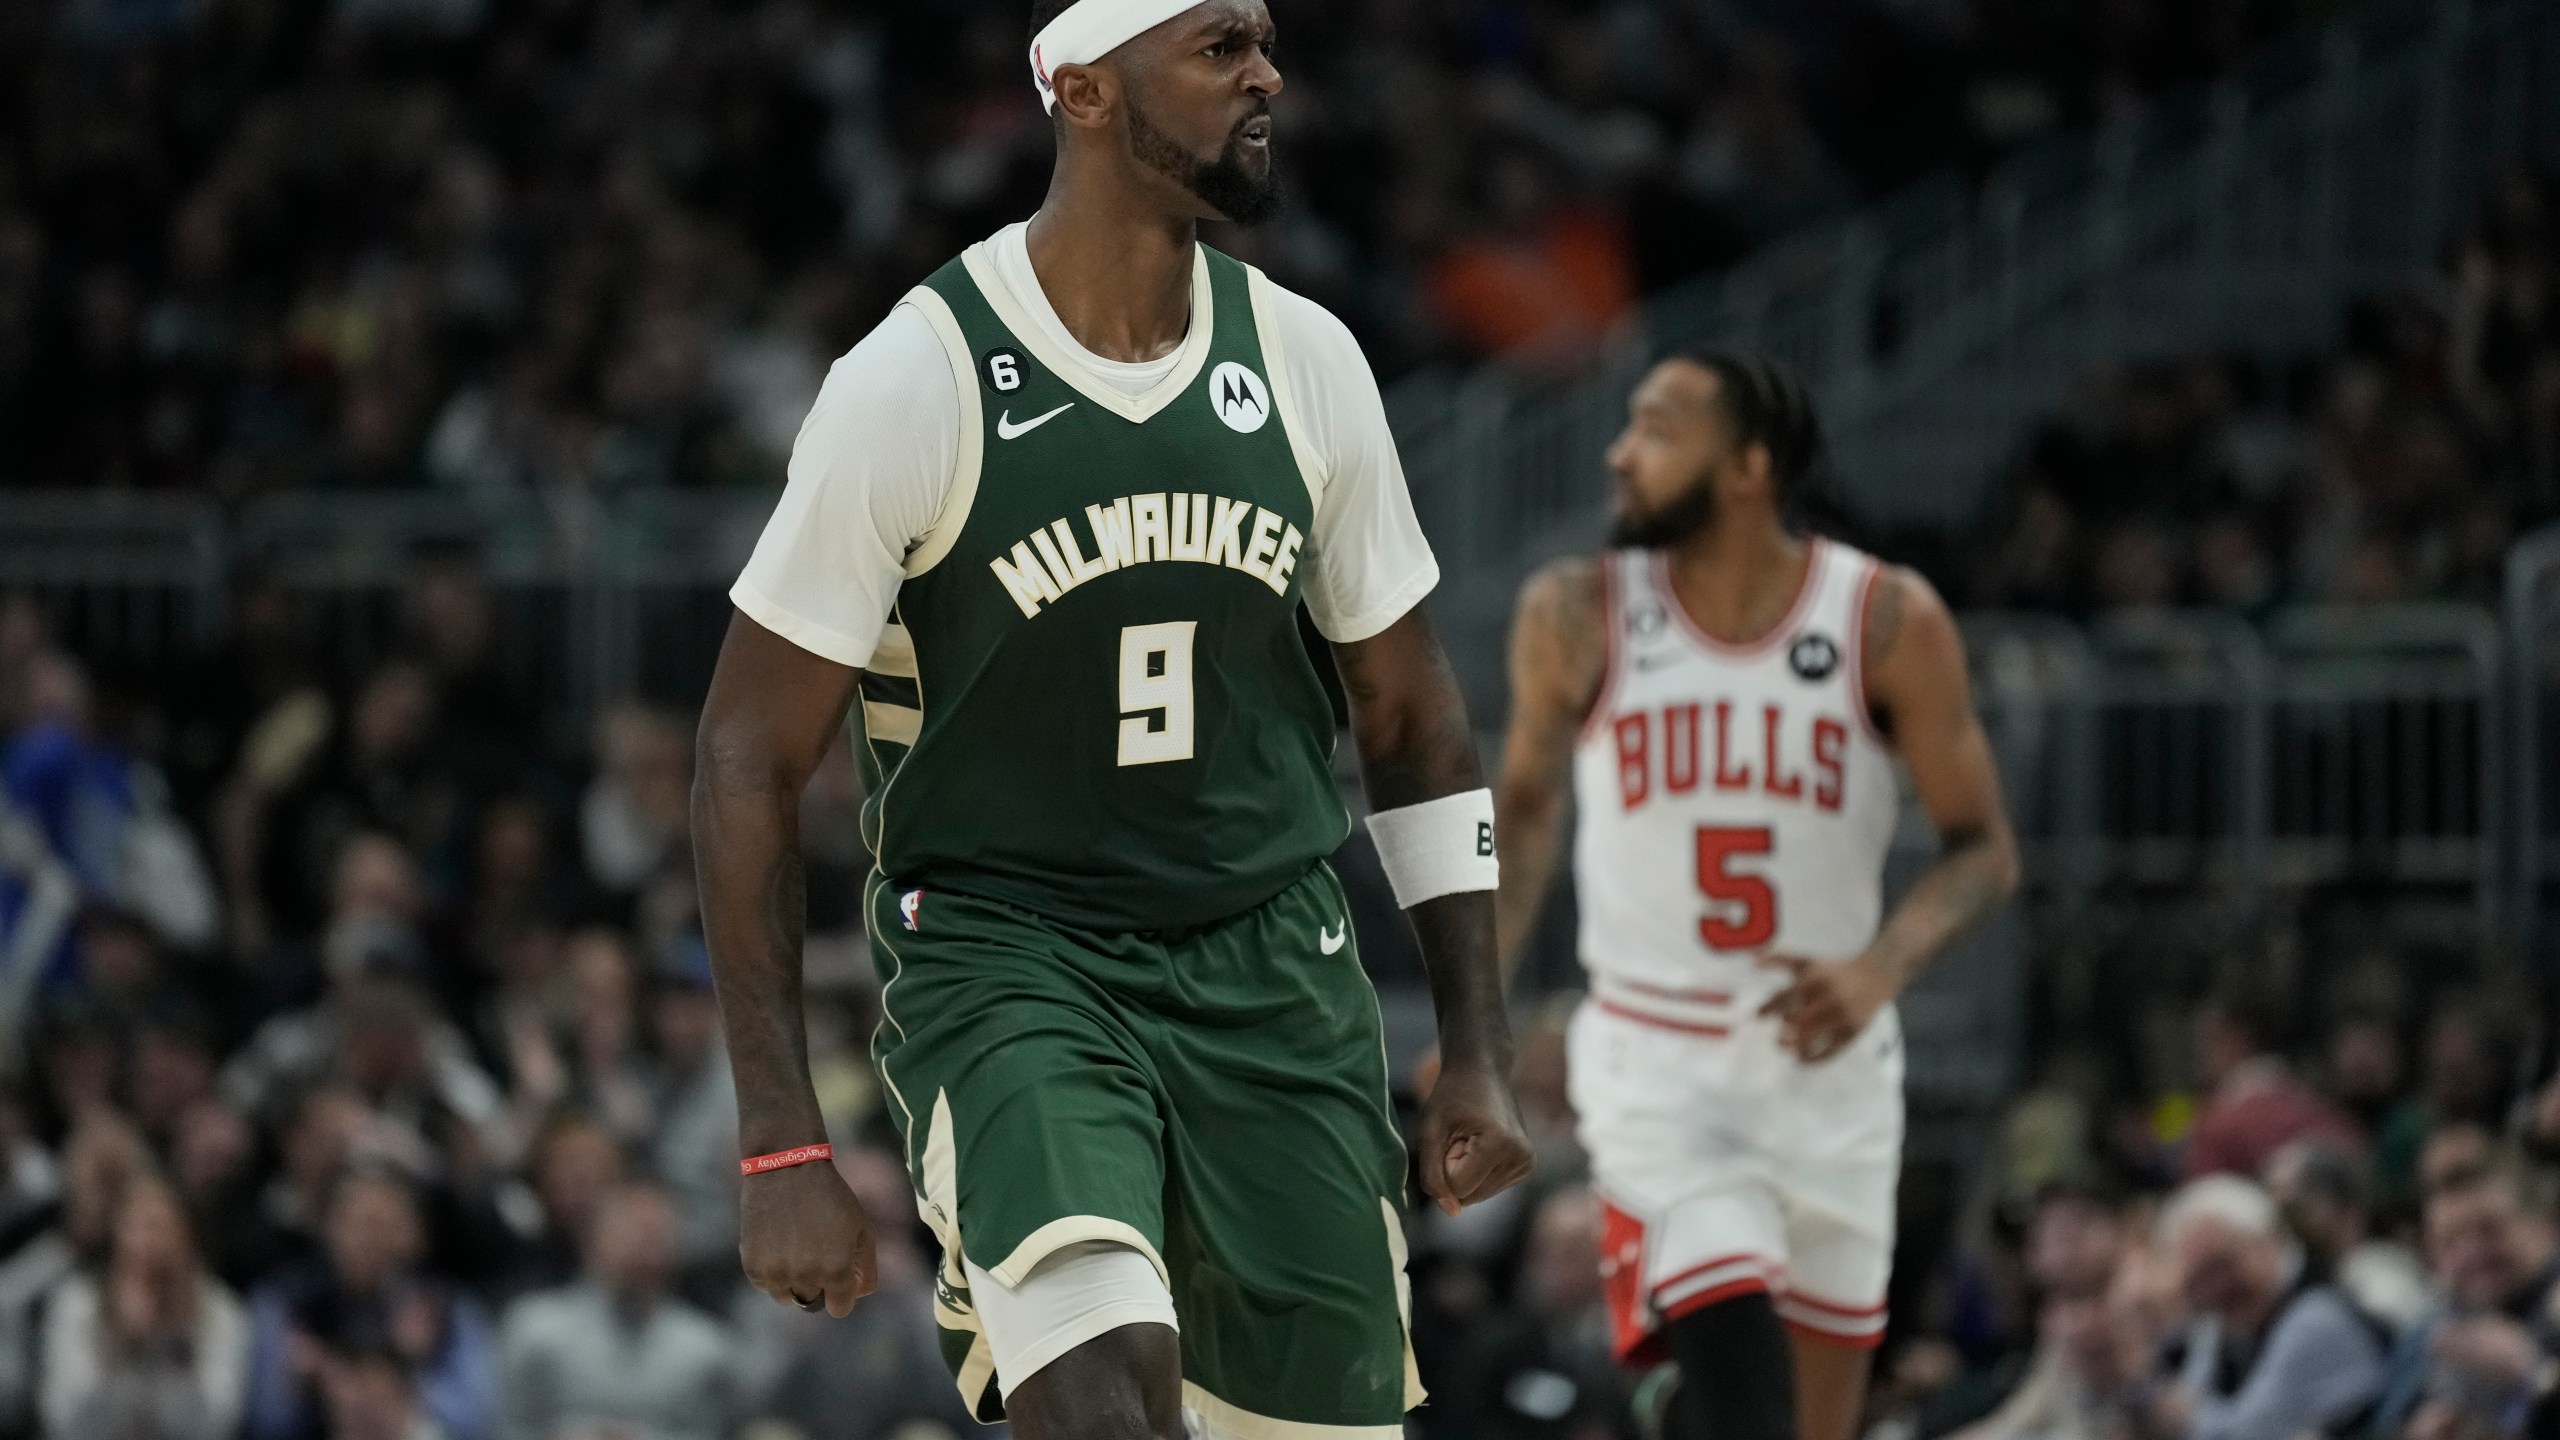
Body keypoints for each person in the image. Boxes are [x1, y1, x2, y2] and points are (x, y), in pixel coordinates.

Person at [692, 2, 1534, 1437]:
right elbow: (742, 759)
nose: (1266, 72)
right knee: (1096, 1394)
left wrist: (1478, 1043)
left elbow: (1411, 717)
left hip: (1275, 967)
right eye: (1218, 48)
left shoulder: (1309, 362)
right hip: (1015, 959)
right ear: (1085, 89)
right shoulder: (920, 377)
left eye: (1265, 42)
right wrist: (780, 1144)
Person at [1491, 348, 2019, 1440]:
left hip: (1830, 1077)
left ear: (1746, 467)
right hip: (1659, 1064)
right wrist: (1470, 1012)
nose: (1617, 451)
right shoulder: (1576, 614)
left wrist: (1881, 965)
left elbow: (1983, 850)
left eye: (1656, 428)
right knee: (1747, 1404)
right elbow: (1526, 815)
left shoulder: (1885, 619)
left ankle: (1668, 1411)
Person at [2147, 1174, 2386, 1440]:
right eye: (2199, 1279)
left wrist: (2183, 1415)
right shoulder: (2224, 1325)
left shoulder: (2317, 1317)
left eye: (2223, 1266)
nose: (2215, 1289)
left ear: (2268, 1243)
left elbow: (2248, 1432)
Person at [494, 1183, 735, 1440]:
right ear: (592, 1238)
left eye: (658, 1237)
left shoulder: (707, 1348)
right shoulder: (533, 1329)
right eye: (632, 1233)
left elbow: (721, 1432)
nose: (645, 1252)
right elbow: (503, 1427)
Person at [38, 1176, 251, 1440]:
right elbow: (69, 1425)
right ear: (116, 1232)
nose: (148, 1244)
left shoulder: (218, 1309)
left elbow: (213, 1428)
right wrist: (120, 1344)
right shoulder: (79, 1303)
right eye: (137, 1227)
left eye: (161, 1227)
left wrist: (180, 1336)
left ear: (188, 1237)